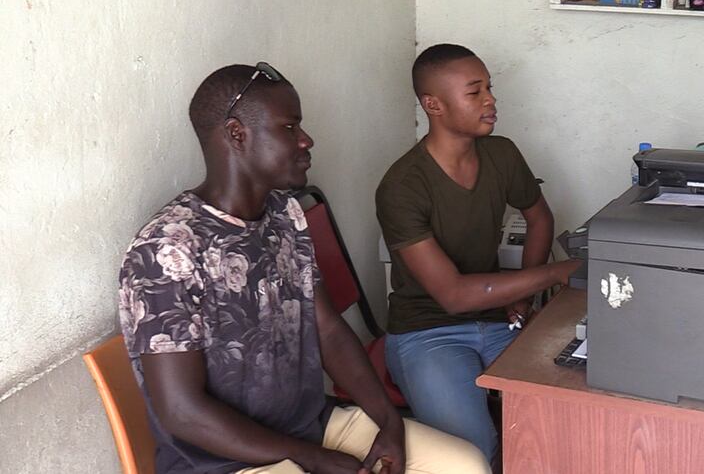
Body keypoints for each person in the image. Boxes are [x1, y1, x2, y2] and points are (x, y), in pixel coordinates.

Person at [118, 63, 490, 474]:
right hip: (222, 461)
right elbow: (182, 412)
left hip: (309, 427)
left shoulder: (284, 214)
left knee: (465, 465)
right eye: (289, 127)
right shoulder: (168, 249)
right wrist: (316, 460)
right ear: (237, 134)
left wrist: (388, 422)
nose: (306, 139)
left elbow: (328, 330)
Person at [375, 44, 581, 465]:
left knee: (564, 423)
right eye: (475, 92)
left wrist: (522, 298)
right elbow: (453, 296)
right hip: (427, 331)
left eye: (489, 87)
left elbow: (539, 217)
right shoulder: (402, 187)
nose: (490, 100)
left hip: (498, 320)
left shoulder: (501, 154)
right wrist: (556, 273)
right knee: (472, 454)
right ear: (433, 105)